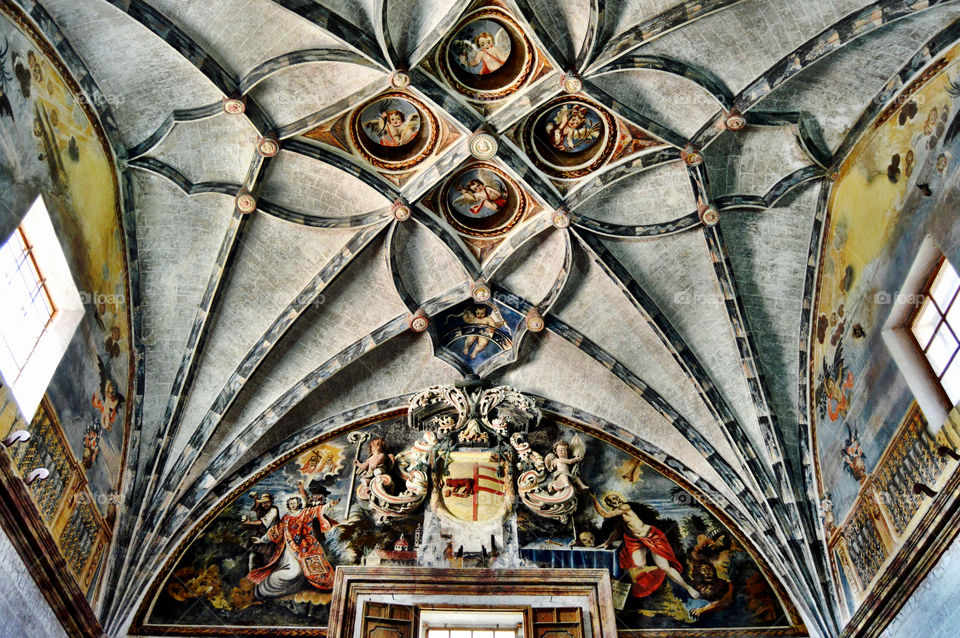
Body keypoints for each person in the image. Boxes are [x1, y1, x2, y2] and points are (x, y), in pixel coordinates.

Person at [591, 493, 700, 600]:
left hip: (651, 535)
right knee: (638, 565)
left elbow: (605, 514)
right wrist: (606, 543)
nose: (615, 500)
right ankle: (655, 575)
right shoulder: (617, 517)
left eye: (616, 498)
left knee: (664, 567)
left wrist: (594, 499)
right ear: (608, 503)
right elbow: (617, 531)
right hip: (636, 540)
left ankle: (687, 587)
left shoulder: (625, 507)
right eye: (612, 500)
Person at [247, 482, 338, 599]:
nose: (293, 505)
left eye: (294, 503)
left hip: (308, 544)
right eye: (291, 503)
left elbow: (318, 510)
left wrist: (330, 504)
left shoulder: (305, 512)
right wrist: (262, 540)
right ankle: (274, 587)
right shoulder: (286, 517)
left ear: (298, 504)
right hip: (291, 548)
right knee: (294, 571)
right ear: (288, 505)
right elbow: (276, 530)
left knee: (316, 562)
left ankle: (326, 583)